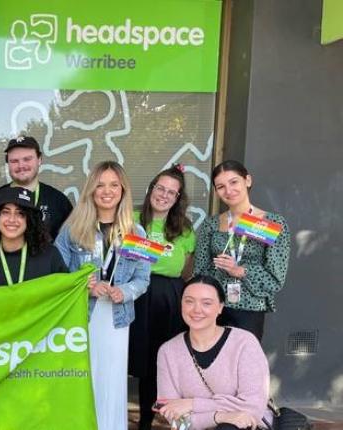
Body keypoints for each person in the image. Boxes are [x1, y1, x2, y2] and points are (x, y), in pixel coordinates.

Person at [53, 160, 150, 430]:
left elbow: (143, 279)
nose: (107, 191)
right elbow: (57, 273)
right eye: (100, 185)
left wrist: (125, 291)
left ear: (123, 190)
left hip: (117, 319)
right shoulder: (73, 229)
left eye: (114, 185)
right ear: (91, 190)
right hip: (81, 315)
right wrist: (85, 284)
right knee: (83, 377)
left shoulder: (137, 232)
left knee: (112, 379)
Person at [156, 275, 272, 430]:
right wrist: (219, 416)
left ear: (220, 307)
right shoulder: (168, 351)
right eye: (189, 301)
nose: (197, 309)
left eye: (207, 303)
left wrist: (191, 404)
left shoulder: (244, 343)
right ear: (181, 304)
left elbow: (252, 408)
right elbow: (174, 419)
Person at [129, 165, 197, 430]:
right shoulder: (131, 218)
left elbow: (187, 269)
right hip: (134, 295)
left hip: (167, 299)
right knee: (130, 357)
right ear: (151, 189)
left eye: (172, 192)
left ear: (178, 198)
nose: (164, 195)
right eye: (161, 188)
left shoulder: (185, 229)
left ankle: (147, 419)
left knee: (159, 360)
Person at [193, 160, 290, 341]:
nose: (228, 190)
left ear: (248, 180)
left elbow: (275, 279)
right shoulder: (211, 224)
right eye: (221, 186)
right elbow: (199, 271)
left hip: (250, 309)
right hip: (213, 308)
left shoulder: (272, 224)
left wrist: (239, 270)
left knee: (243, 364)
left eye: (234, 182)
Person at [0, 187, 67, 287]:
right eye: (5, 212)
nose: (12, 219)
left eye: (20, 213)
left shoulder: (50, 255)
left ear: (29, 220)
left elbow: (66, 293)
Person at [0, 136, 73, 240]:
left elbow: (70, 244)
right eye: (14, 161)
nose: (21, 165)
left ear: (39, 160)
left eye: (27, 159)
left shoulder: (59, 201)